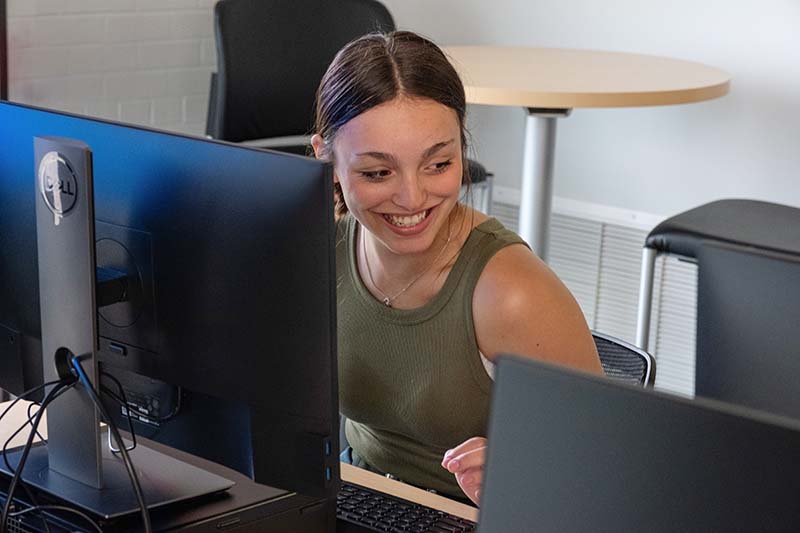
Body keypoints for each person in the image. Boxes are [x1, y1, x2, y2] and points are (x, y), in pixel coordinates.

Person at [311, 30, 602, 506]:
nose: (412, 197)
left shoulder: (509, 291)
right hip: (357, 498)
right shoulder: (321, 250)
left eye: (438, 163)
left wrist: (524, 469)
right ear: (328, 158)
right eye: (378, 172)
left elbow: (608, 462)